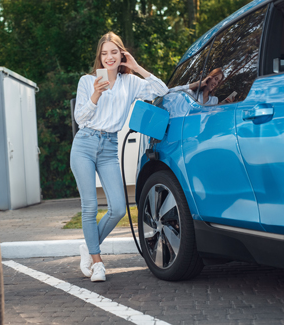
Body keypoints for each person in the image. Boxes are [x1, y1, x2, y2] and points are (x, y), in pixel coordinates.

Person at [70, 31, 168, 282]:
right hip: (85, 143)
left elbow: (162, 90)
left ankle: (89, 246)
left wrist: (136, 67)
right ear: (99, 57)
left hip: (109, 147)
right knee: (90, 206)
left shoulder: (130, 82)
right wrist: (96, 94)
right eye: (104, 53)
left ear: (121, 54)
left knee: (118, 208)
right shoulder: (87, 81)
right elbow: (80, 118)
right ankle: (97, 261)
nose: (109, 57)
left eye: (114, 52)